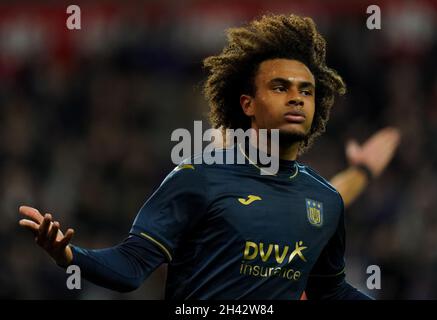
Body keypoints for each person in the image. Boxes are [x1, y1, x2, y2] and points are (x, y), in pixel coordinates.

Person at [18, 14, 400, 299]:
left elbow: (329, 292)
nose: (297, 97)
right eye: (280, 87)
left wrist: (362, 173)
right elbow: (132, 266)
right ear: (248, 104)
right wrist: (70, 255)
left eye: (307, 90)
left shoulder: (325, 201)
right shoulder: (198, 178)